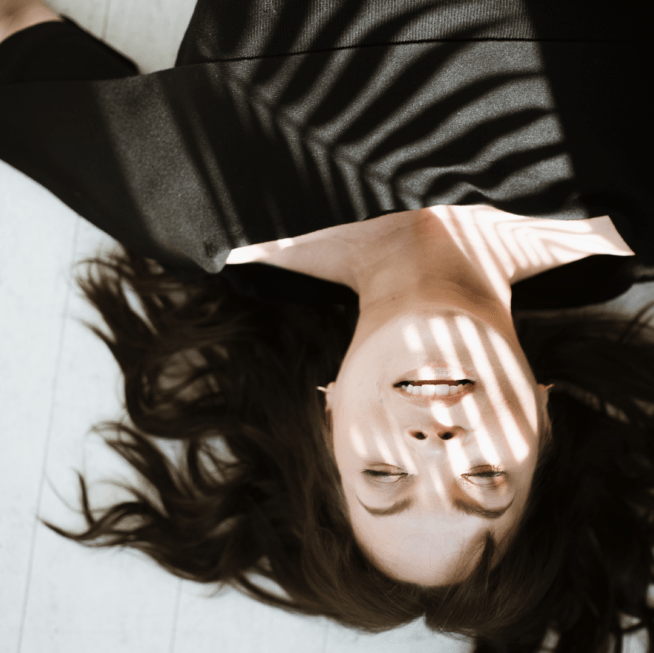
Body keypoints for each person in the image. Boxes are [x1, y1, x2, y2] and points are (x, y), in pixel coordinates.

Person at [2, 1, 654, 651]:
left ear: (329, 417)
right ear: (543, 421)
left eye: (385, 475)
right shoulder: (638, 205)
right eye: (484, 478)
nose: (435, 443)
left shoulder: (188, 205)